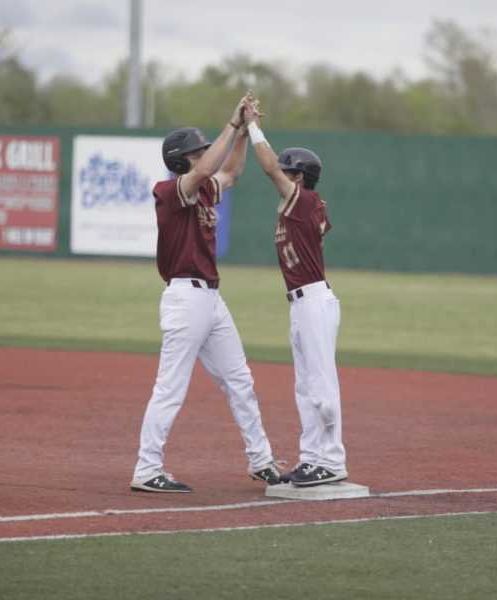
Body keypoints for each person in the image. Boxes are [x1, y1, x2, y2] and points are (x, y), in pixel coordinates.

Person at [131, 91, 282, 493]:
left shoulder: (203, 189)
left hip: (212, 300)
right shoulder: (170, 192)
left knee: (240, 381)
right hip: (185, 298)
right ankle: (147, 469)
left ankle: (261, 459)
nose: (204, 154)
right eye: (198, 151)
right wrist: (232, 126)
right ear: (183, 161)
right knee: (170, 387)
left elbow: (229, 173)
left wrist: (247, 132)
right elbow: (207, 170)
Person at [243, 101, 348, 487]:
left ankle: (333, 460)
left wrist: (252, 128)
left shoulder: (303, 203)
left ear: (300, 179)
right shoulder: (302, 207)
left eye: (289, 173)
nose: (281, 176)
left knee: (321, 386)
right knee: (305, 389)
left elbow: (268, 166)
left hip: (315, 302)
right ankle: (312, 459)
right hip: (302, 304)